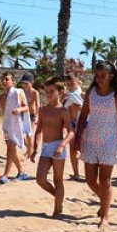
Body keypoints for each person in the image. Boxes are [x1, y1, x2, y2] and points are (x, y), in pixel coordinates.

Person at [73, 61, 117, 229]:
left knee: (105, 180)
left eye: (103, 76)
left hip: (110, 140)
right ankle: (106, 201)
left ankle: (105, 215)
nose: (99, 79)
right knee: (91, 181)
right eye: (97, 76)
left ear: (111, 76)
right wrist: (77, 138)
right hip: (91, 139)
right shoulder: (90, 93)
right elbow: (83, 116)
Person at [31, 77, 75, 217]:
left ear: (60, 92)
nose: (48, 94)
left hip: (58, 145)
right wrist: (34, 148)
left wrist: (62, 145)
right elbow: (38, 130)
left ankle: (57, 209)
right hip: (46, 147)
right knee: (40, 179)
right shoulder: (42, 109)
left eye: (51, 91)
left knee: (58, 179)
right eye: (47, 92)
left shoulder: (63, 110)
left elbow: (71, 132)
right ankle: (58, 196)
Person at [0, 72, 30, 184]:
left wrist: (19, 110)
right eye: (3, 80)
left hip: (16, 124)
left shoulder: (18, 92)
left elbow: (26, 107)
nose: (4, 81)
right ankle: (21, 171)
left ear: (13, 82)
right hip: (6, 125)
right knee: (11, 149)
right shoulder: (1, 97)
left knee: (10, 149)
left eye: (7, 79)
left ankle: (6, 174)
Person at [64, 72, 84, 182]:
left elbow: (87, 109)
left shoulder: (81, 94)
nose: (70, 86)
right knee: (72, 150)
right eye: (68, 84)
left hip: (82, 124)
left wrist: (79, 106)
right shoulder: (67, 95)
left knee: (84, 150)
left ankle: (90, 174)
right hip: (71, 124)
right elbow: (63, 107)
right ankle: (76, 173)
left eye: (72, 83)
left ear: (77, 82)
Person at [19, 73, 41, 161]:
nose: (24, 85)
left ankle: (30, 152)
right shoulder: (21, 92)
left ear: (31, 83)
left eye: (26, 83)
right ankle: (29, 148)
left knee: (29, 133)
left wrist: (38, 117)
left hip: (32, 115)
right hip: (23, 114)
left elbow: (38, 105)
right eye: (23, 83)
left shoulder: (35, 92)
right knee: (20, 133)